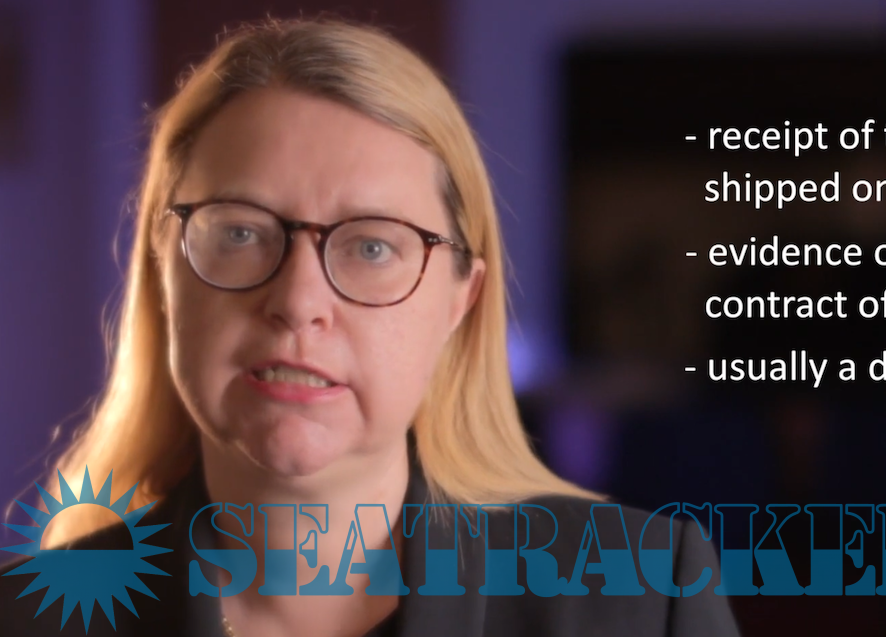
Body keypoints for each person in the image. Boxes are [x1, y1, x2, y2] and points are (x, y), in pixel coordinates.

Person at [0, 17, 739, 637]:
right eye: (241, 232)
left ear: (461, 301)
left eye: (373, 246)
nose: (298, 301)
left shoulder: (644, 596)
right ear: (164, 272)